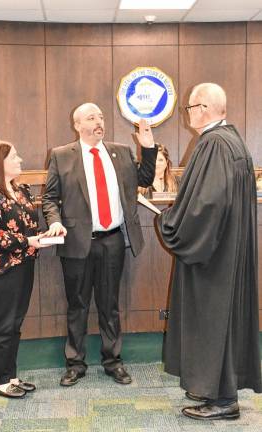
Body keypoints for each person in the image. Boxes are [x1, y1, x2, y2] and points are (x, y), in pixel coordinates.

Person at [156, 83, 261, 420]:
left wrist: (170, 222)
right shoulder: (232, 141)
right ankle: (218, 391)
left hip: (213, 255)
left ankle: (222, 400)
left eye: (189, 107)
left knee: (214, 321)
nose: (188, 114)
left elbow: (206, 205)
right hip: (227, 249)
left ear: (203, 108)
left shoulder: (214, 144)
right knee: (223, 322)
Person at [42, 103, 157, 387]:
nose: (99, 121)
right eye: (91, 117)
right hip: (77, 243)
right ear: (77, 124)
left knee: (110, 305)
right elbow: (49, 198)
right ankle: (75, 363)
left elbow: (145, 179)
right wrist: (54, 221)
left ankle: (113, 361)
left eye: (101, 117)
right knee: (77, 305)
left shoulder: (121, 152)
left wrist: (148, 147)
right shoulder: (61, 156)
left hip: (113, 241)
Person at [0, 140, 49, 399]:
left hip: (22, 267)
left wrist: (47, 235)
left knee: (13, 325)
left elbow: (29, 228)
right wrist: (28, 241)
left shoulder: (21, 190)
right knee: (0, 327)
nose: (20, 160)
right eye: (14, 156)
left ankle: (11, 375)